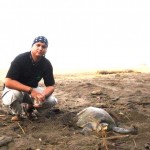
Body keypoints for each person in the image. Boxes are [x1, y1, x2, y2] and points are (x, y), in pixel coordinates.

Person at [1, 36, 57, 121]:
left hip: (31, 91)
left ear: (46, 49)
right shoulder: (20, 59)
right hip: (15, 89)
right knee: (15, 94)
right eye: (38, 45)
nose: (40, 48)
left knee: (52, 100)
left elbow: (51, 86)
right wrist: (31, 91)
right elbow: (8, 82)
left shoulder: (46, 64)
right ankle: (18, 114)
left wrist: (42, 95)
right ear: (32, 46)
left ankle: (29, 109)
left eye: (44, 46)